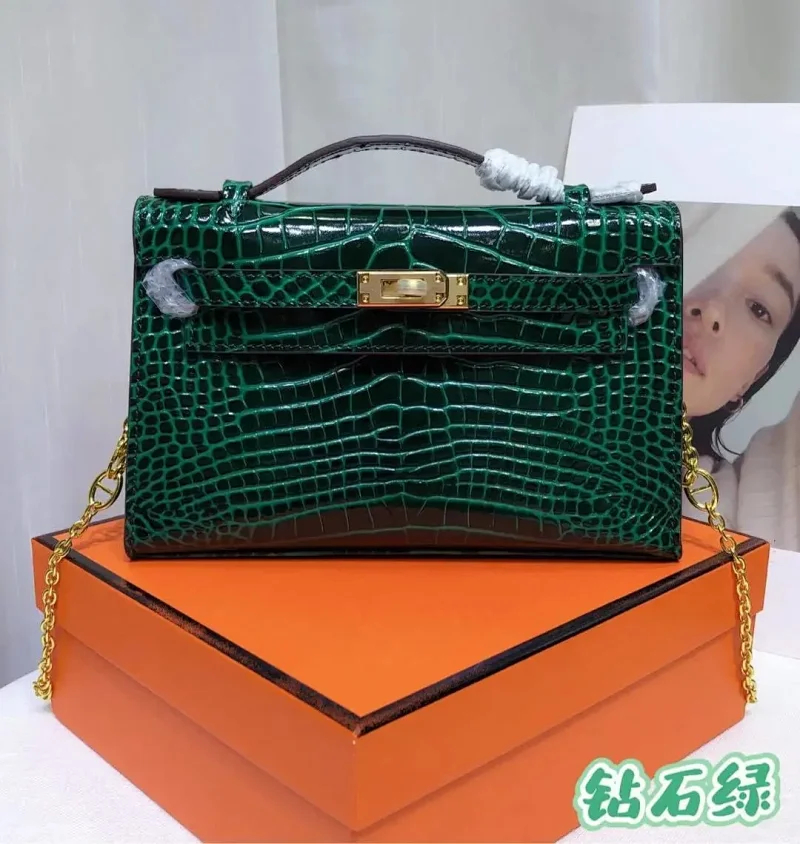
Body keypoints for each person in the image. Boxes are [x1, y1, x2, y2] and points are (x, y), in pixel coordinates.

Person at [682, 208, 800, 540]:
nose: (712, 311)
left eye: (758, 309)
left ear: (753, 377)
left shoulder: (739, 517)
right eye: (709, 255)